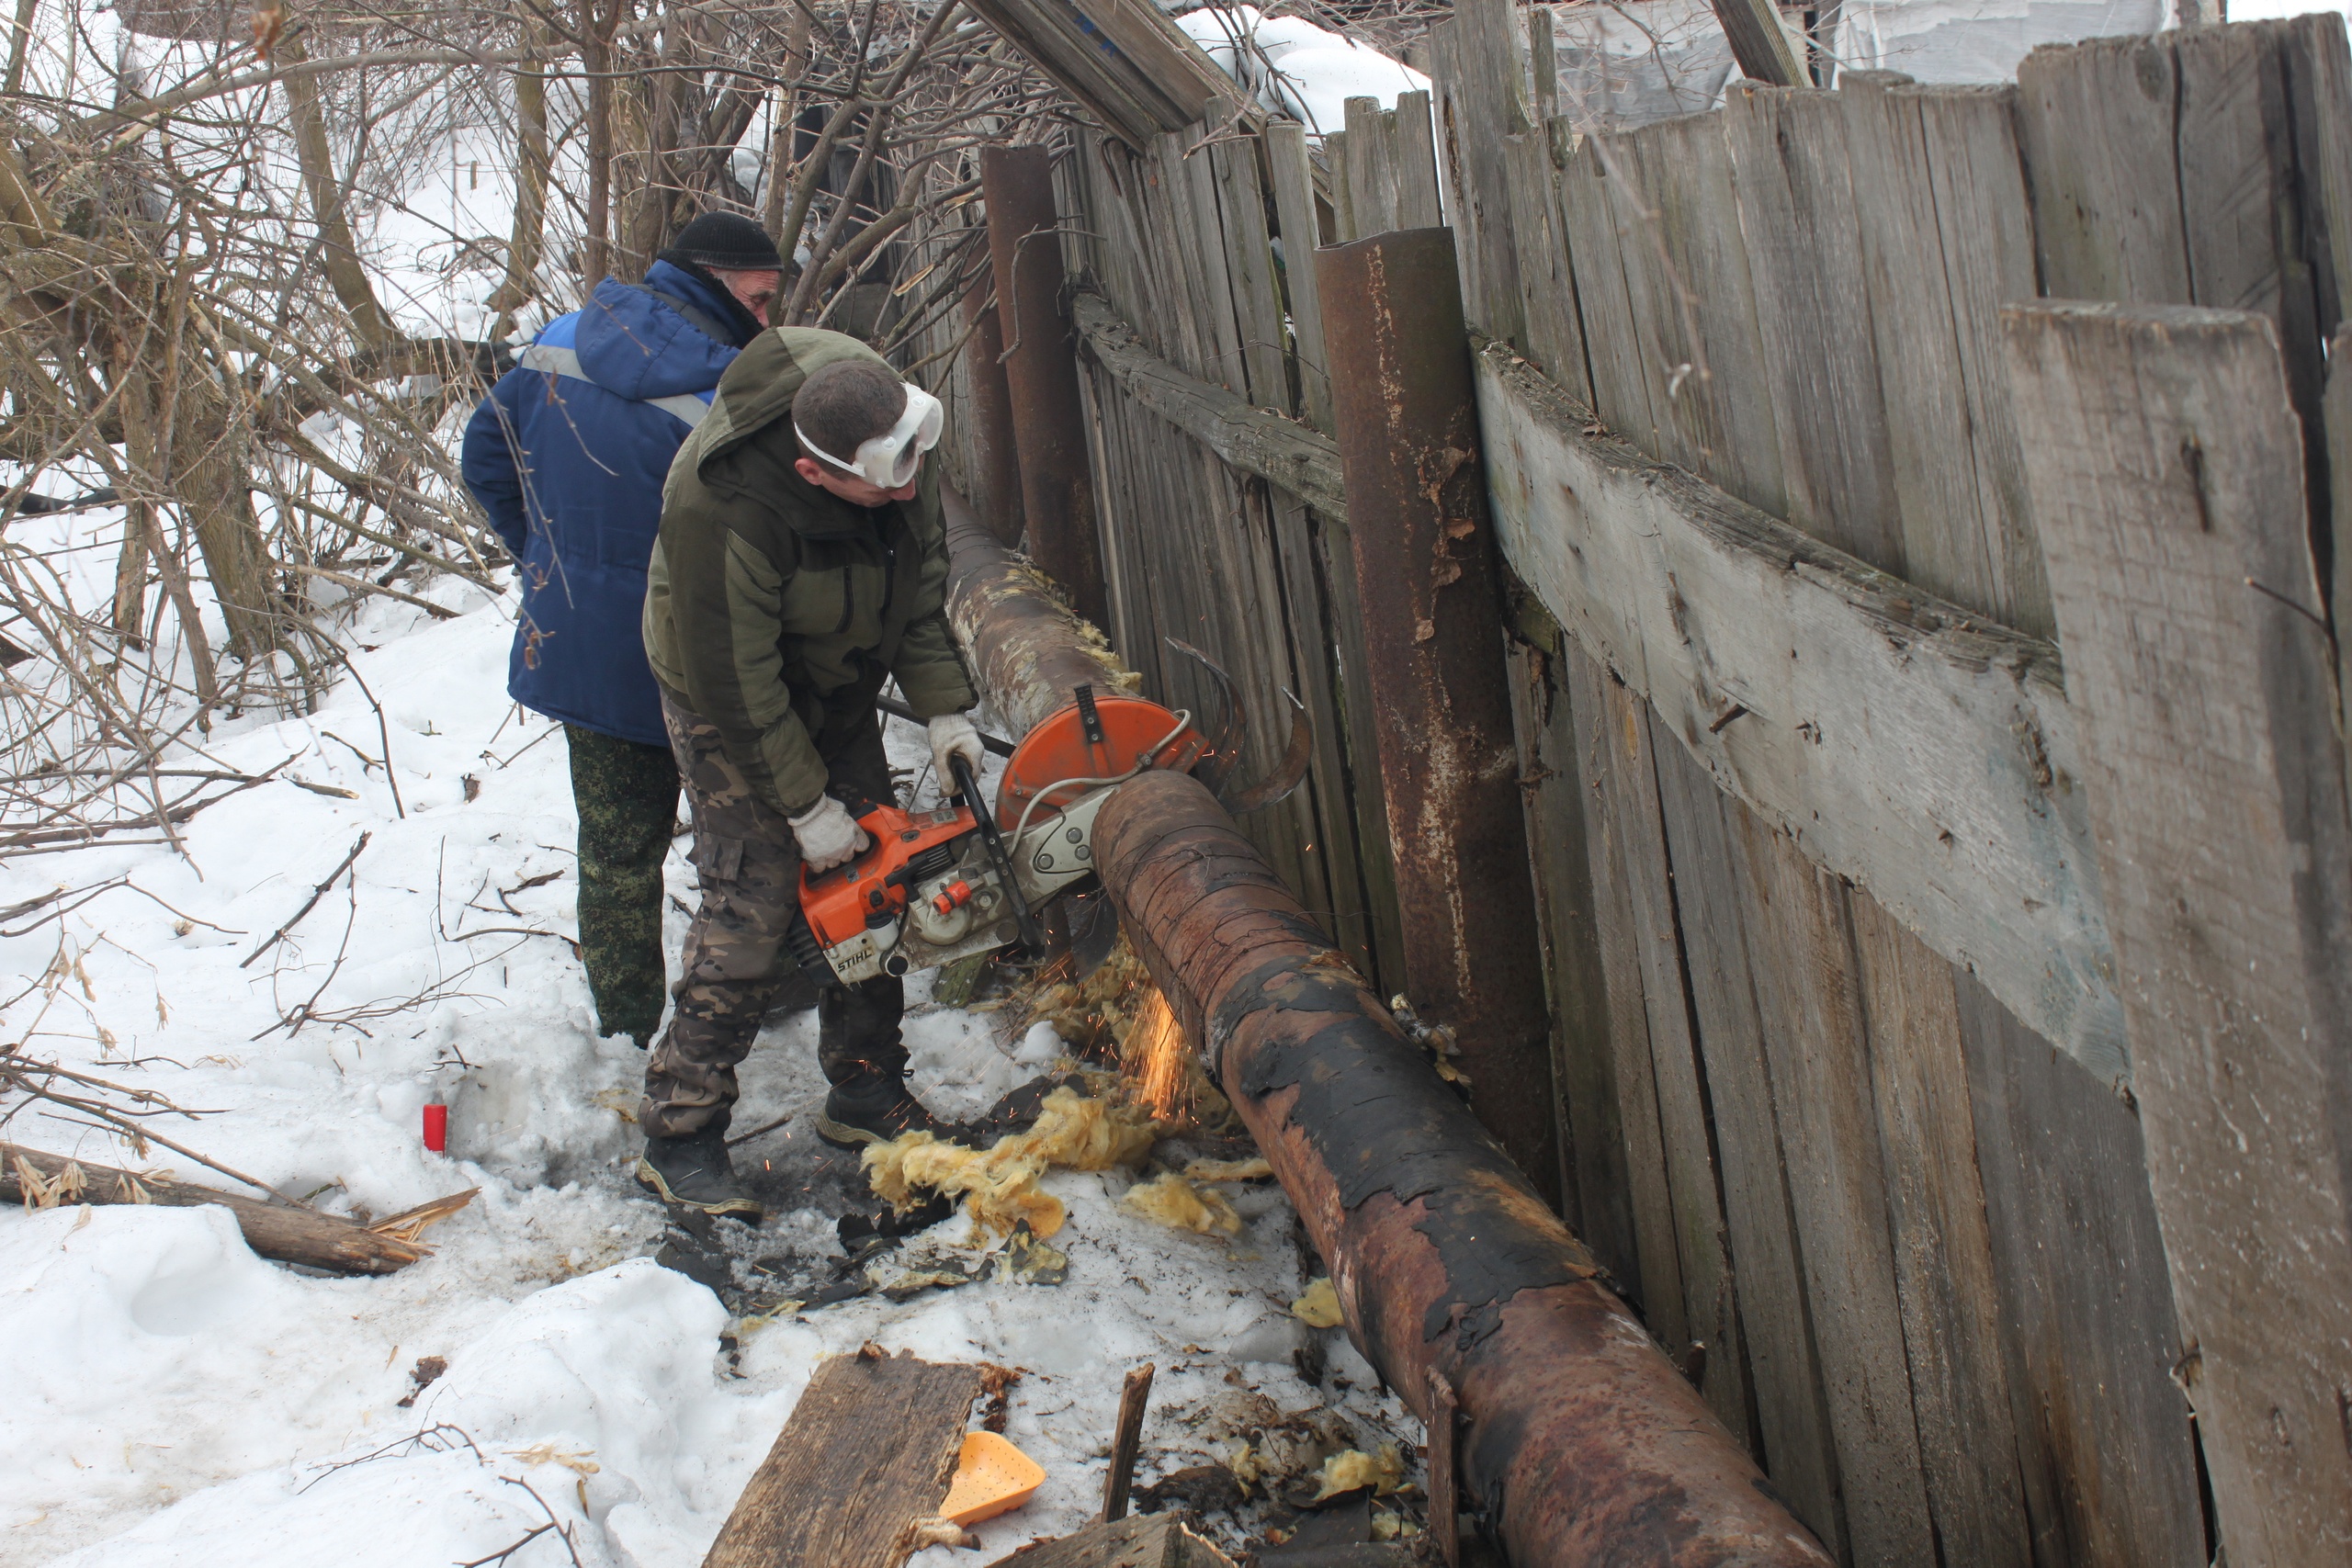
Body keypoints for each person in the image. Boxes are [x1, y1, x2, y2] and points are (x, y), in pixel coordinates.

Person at [633, 333, 988, 1219]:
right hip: (724, 688)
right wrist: (801, 806)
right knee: (754, 897)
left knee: (876, 872)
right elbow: (739, 683)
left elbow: (917, 581)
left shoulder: (897, 443)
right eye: (885, 481)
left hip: (838, 666)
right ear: (814, 470)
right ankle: (682, 1131)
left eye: (913, 467)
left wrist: (946, 706)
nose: (908, 489)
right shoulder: (723, 513)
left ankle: (867, 1088)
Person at [461, 213, 789, 1050]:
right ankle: (762, 990)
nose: (767, 321)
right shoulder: (730, 394)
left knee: (614, 856)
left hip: (582, 651)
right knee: (752, 848)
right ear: (713, 282)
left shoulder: (557, 343)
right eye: (758, 300)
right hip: (701, 666)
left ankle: (627, 1033)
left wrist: (546, 559)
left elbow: (485, 461)